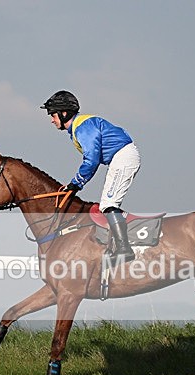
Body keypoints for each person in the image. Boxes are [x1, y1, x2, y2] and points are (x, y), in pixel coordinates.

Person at [40, 90, 140, 263]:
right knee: (107, 204)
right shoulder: (79, 127)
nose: (52, 120)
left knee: (108, 204)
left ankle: (125, 249)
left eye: (53, 115)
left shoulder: (82, 127)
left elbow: (91, 160)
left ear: (64, 113)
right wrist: (75, 184)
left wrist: (75, 183)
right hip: (120, 157)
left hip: (122, 157)